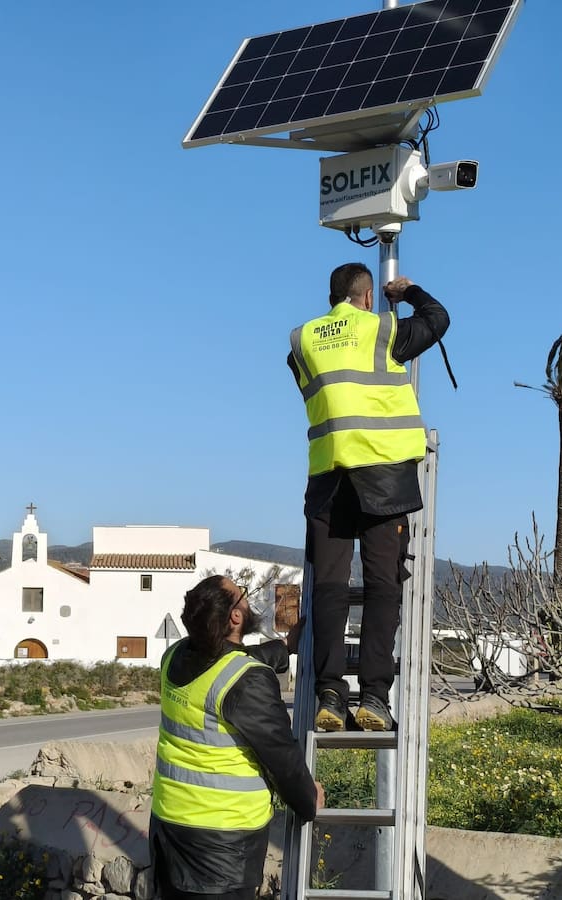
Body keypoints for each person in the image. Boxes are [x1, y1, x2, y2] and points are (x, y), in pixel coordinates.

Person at [287, 262, 450, 732]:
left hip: (328, 477)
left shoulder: (303, 339)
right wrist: (411, 290)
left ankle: (330, 694)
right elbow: (438, 320)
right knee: (382, 586)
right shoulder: (380, 328)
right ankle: (375, 697)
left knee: (330, 588)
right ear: (364, 297)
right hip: (383, 475)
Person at [150, 574, 324, 899]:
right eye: (242, 594)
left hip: (168, 833)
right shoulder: (247, 681)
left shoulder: (173, 657)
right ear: (235, 616)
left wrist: (285, 647)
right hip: (221, 849)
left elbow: (227, 664)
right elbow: (282, 757)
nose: (247, 598)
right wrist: (308, 800)